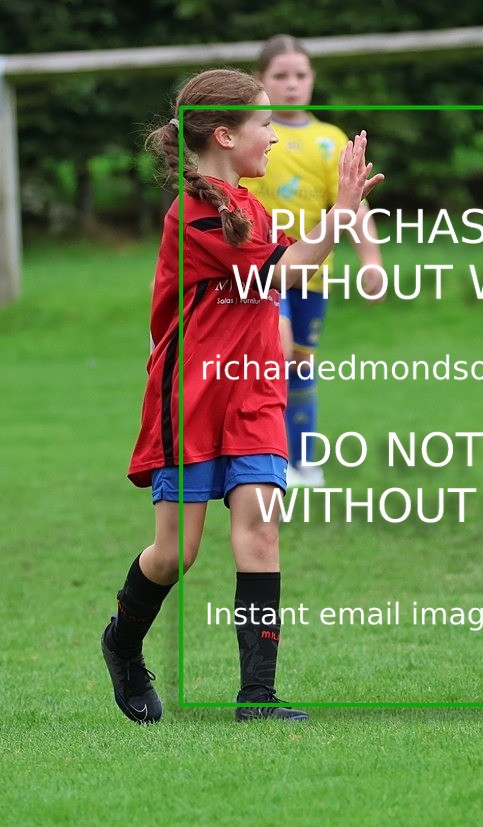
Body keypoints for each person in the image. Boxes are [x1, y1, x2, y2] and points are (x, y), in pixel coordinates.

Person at [101, 68, 382, 723]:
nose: (273, 138)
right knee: (177, 552)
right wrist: (340, 215)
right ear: (225, 134)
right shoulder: (191, 212)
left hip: (253, 395)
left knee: (259, 531)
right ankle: (123, 641)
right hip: (190, 400)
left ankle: (257, 696)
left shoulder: (250, 204)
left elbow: (283, 274)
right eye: (263, 125)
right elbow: (279, 267)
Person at [244, 34, 385, 488]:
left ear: (312, 80)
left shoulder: (330, 140)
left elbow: (353, 206)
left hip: (313, 273)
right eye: (279, 76)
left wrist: (371, 260)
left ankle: (303, 457)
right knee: (275, 353)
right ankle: (262, 454)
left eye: (300, 75)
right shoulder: (252, 135)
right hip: (262, 271)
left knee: (300, 364)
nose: (291, 84)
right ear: (259, 81)